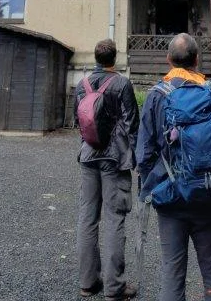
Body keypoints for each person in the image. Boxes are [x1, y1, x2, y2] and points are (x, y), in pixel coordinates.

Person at [136, 33, 211, 301]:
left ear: (168, 60)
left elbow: (144, 156)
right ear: (198, 59)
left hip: (171, 200)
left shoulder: (156, 96)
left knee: (172, 275)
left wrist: (150, 192)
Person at [75, 38, 140, 300]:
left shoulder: (82, 84)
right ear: (115, 59)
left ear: (96, 58)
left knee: (87, 218)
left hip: (88, 155)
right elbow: (131, 123)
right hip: (115, 159)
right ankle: (115, 288)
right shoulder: (122, 83)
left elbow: (77, 121)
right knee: (115, 218)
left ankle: (88, 283)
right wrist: (136, 159)